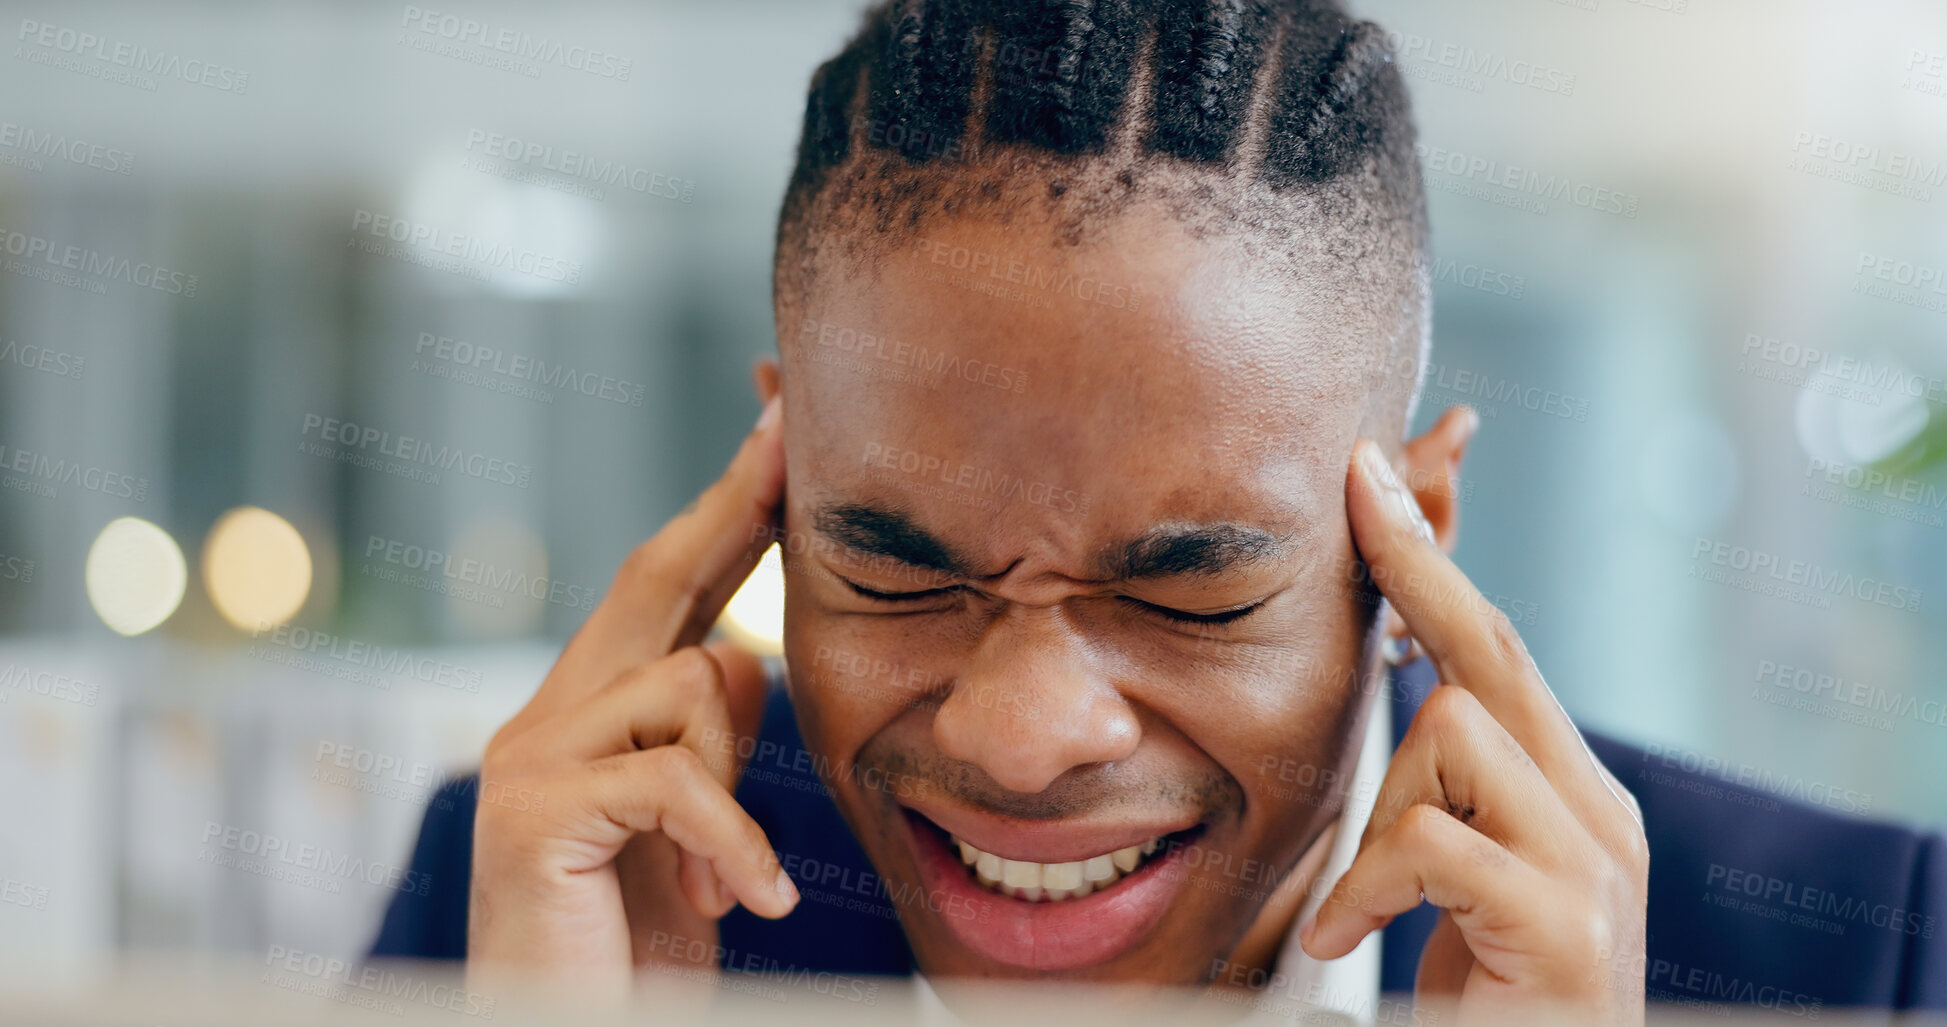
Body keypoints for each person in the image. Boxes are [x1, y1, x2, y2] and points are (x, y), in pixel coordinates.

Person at [372, 0, 1947, 1020]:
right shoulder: (537, 899)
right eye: (895, 572)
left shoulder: (1853, 960)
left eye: (1187, 597)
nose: (1023, 735)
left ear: (1416, 542)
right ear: (772, 504)